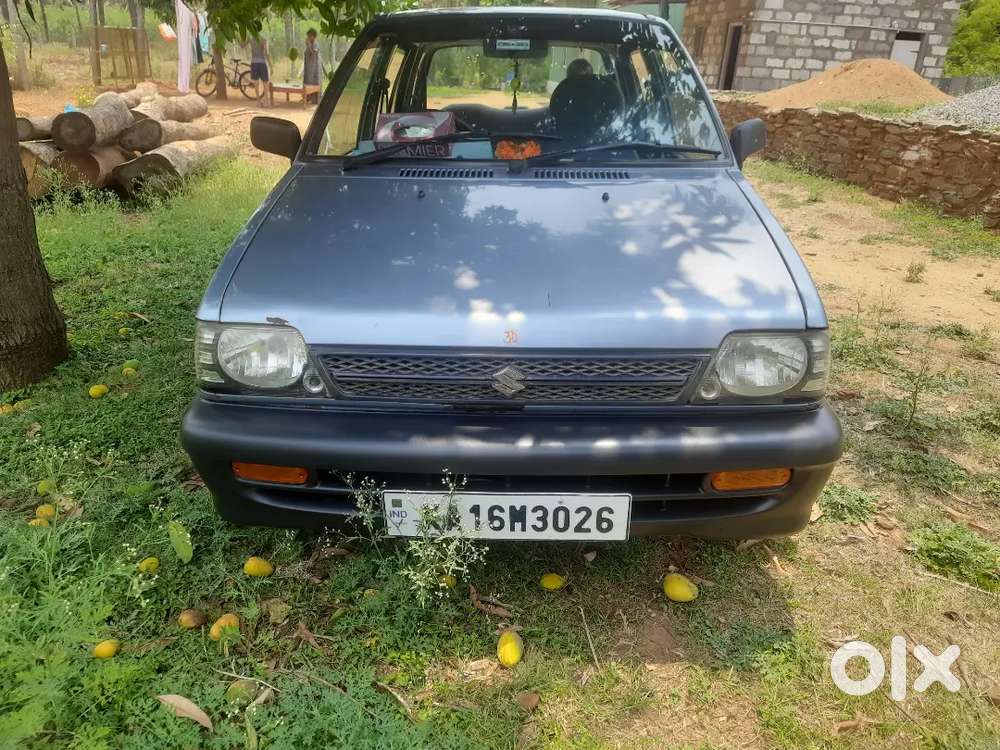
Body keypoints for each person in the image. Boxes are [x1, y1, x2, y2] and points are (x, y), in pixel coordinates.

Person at [249, 33, 272, 106]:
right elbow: (266, 53)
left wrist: (237, 37)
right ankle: (266, 102)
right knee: (265, 82)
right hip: (262, 62)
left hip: (254, 62)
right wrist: (271, 65)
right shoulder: (263, 39)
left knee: (256, 83)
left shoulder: (250, 39)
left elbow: (242, 45)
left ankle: (258, 102)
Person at [302, 28, 323, 104]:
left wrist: (309, 46)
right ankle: (308, 97)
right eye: (308, 36)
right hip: (308, 68)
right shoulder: (309, 44)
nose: (308, 37)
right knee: (308, 81)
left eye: (309, 36)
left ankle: (315, 99)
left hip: (314, 68)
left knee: (314, 82)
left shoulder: (315, 44)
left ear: (313, 36)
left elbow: (313, 55)